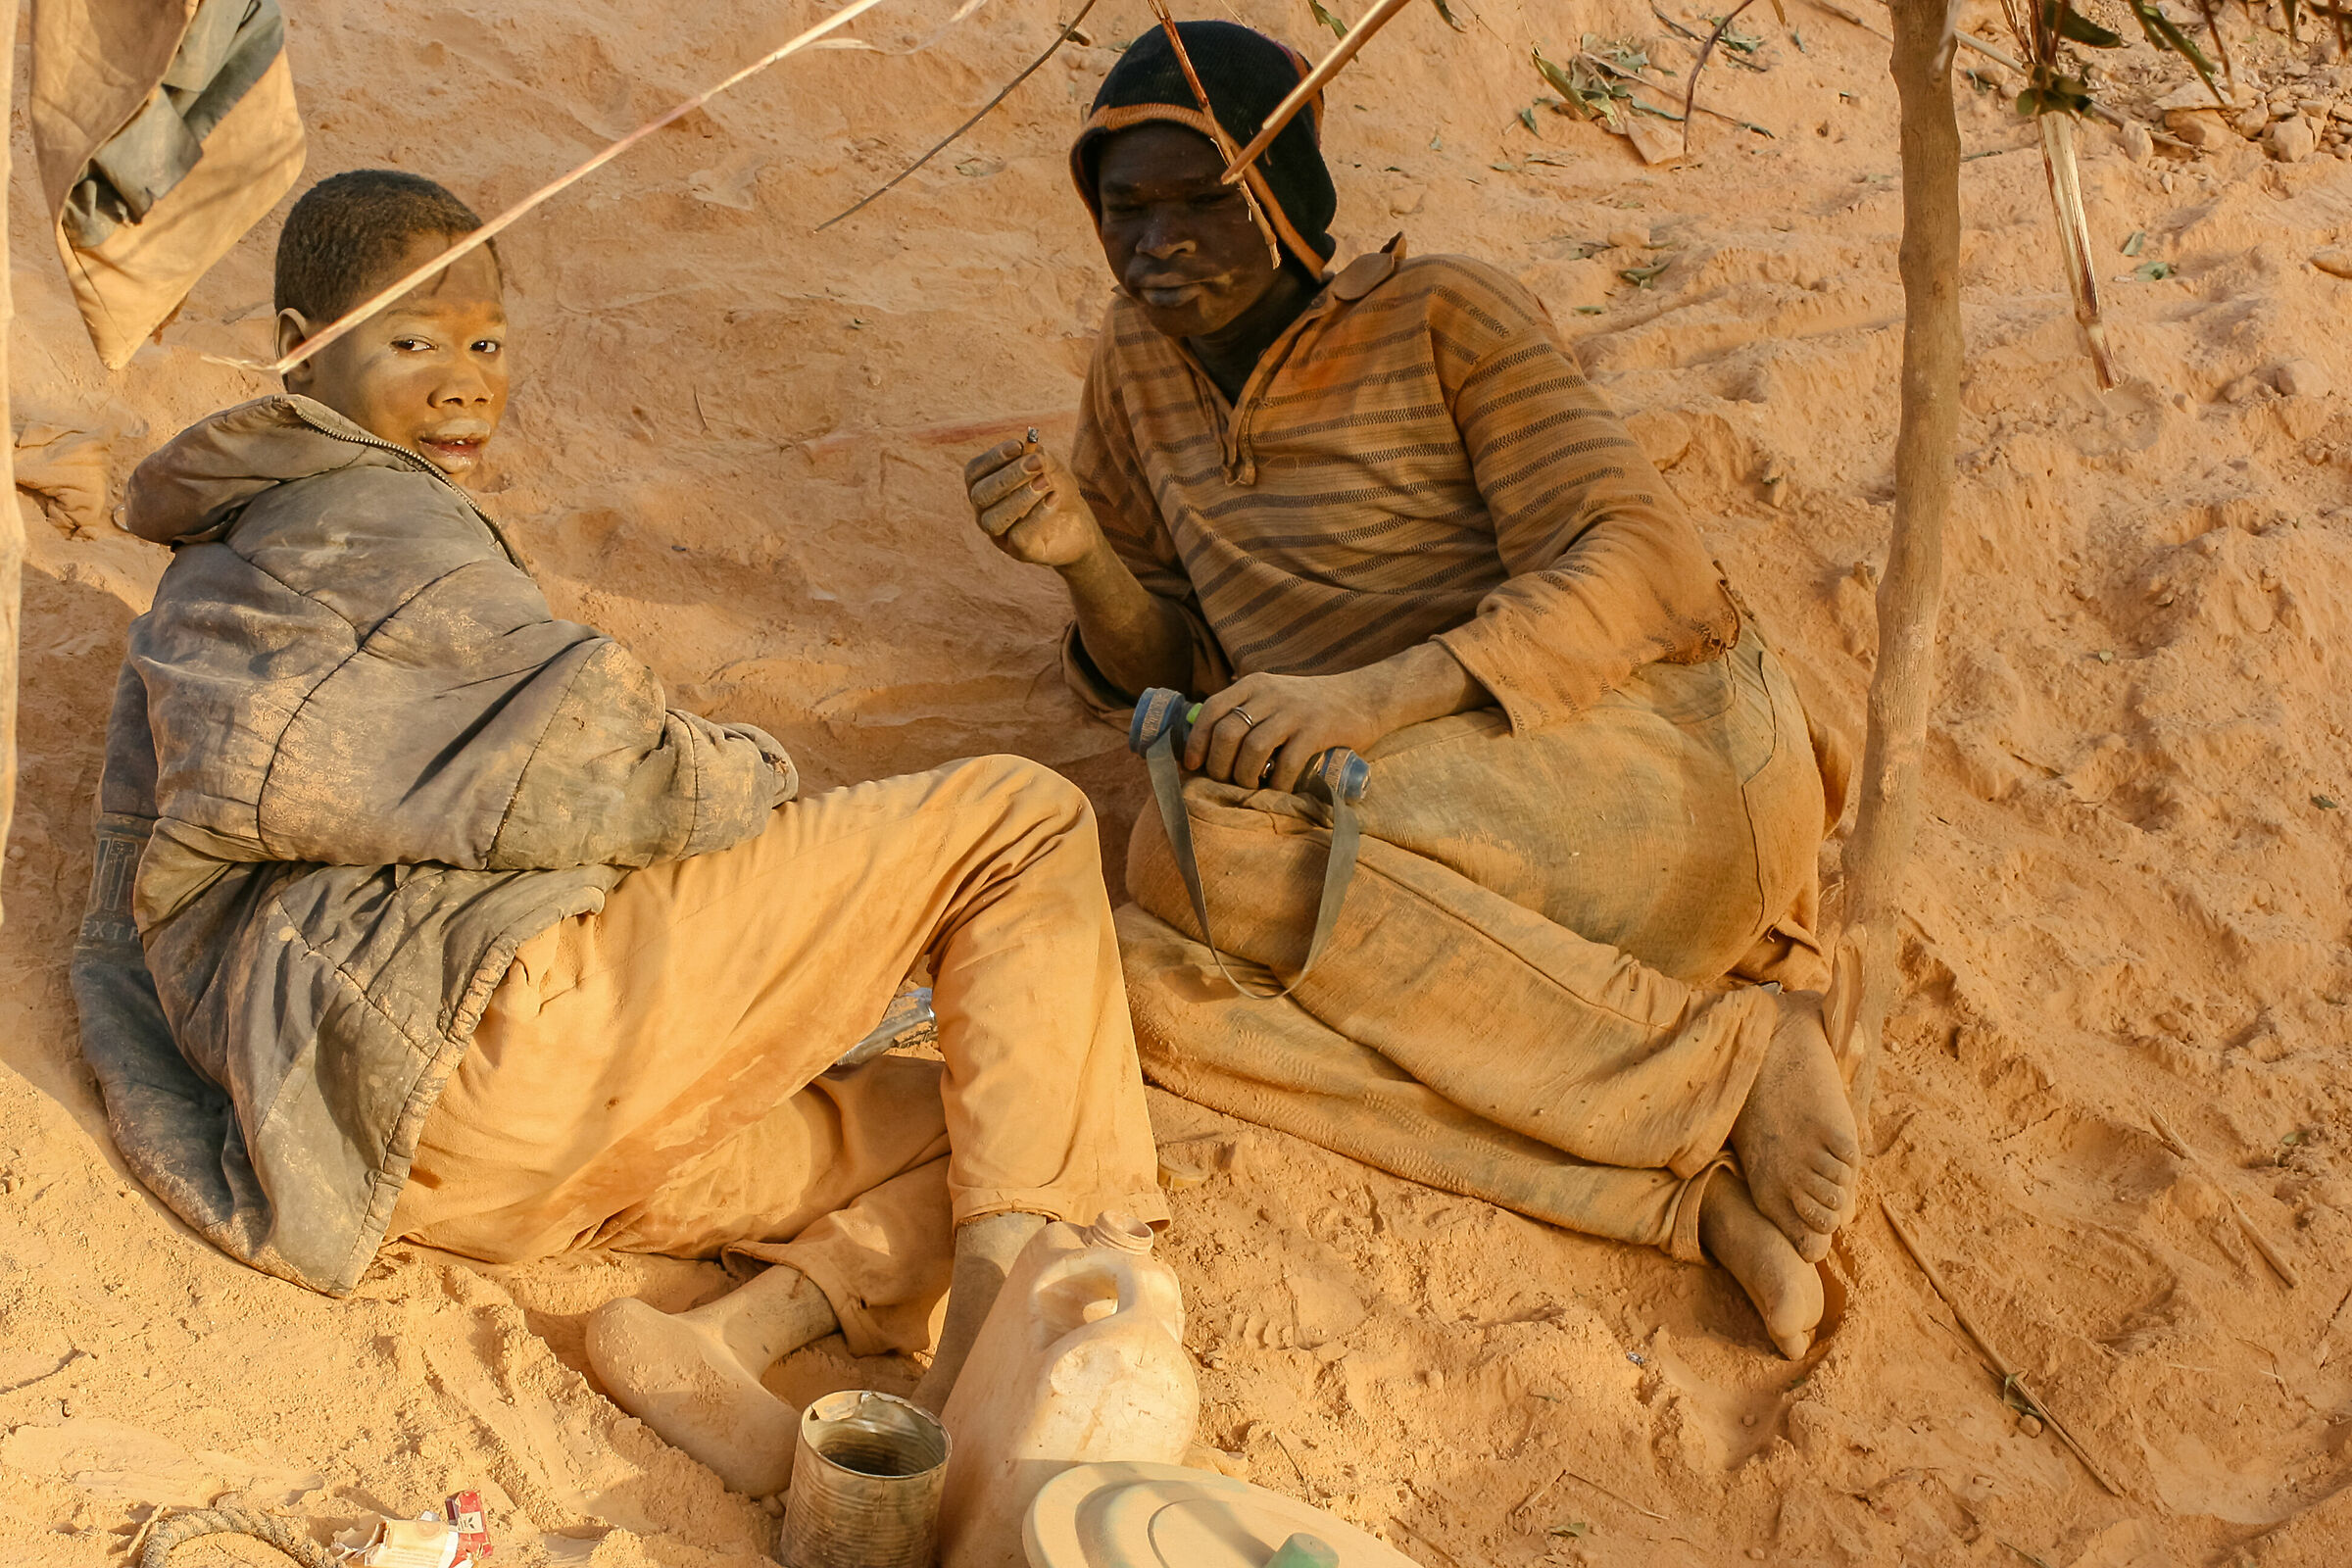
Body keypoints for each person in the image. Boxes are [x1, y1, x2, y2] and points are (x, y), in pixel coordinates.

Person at [73, 170, 1165, 1496]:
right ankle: (978, 1401)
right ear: (301, 347)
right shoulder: (361, 519)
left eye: (487, 343)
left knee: (987, 1114)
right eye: (413, 344)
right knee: (1022, 820)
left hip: (415, 1171)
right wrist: (757, 781)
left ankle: (719, 1341)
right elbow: (596, 766)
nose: (465, 383)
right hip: (474, 1048)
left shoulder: (240, 557)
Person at [963, 23, 1860, 1359]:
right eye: (1124, 207)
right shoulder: (1134, 372)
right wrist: (1082, 555)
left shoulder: (1446, 313)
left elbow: (1648, 562)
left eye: (1199, 200)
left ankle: (1731, 1069)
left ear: (1287, 197)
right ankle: (1676, 1202)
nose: (1157, 242)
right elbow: (1160, 662)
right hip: (1419, 863)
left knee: (1193, 850)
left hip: (1655, 769)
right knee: (1139, 989)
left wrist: (1375, 698)